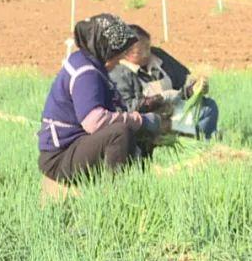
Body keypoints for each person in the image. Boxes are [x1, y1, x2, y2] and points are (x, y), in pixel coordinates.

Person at [38, 14, 167, 184]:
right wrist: (139, 120)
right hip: (60, 156)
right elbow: (94, 121)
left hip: (76, 146)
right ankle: (114, 193)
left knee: (137, 133)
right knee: (120, 133)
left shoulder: (87, 61)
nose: (121, 58)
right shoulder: (86, 72)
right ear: (106, 49)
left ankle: (138, 183)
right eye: (118, 54)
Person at [109, 25, 218, 140]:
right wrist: (162, 98)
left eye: (148, 48)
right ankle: (191, 141)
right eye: (139, 52)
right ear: (125, 53)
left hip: (174, 110)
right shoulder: (118, 72)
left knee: (207, 107)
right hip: (148, 120)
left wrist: (195, 87)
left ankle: (201, 143)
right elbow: (128, 107)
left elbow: (184, 79)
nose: (146, 54)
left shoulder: (158, 56)